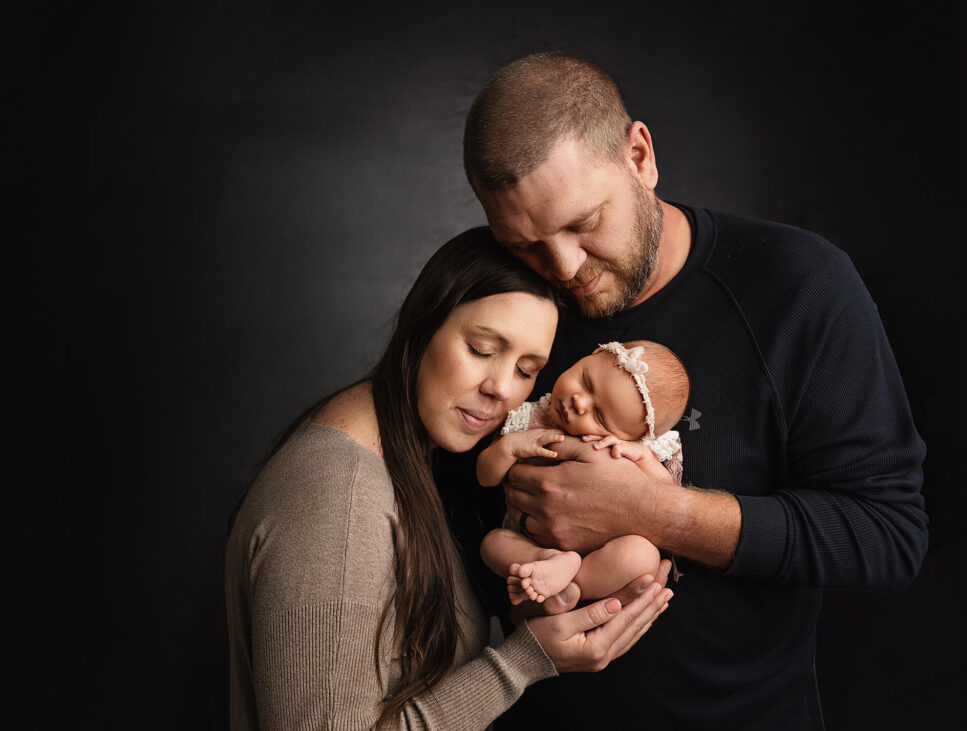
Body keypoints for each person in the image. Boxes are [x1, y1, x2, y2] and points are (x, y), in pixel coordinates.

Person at [444, 52, 928, 728]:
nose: (563, 267)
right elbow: (440, 493)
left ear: (640, 156)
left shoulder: (796, 286)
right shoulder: (504, 302)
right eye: (526, 243)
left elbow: (886, 534)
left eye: (584, 223)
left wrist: (654, 511)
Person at [224, 228, 674, 730]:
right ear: (424, 325)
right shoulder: (339, 506)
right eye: (482, 349)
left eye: (527, 370)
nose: (501, 389)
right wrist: (521, 662)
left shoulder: (410, 457)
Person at [478, 340, 689, 607]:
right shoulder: (530, 418)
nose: (579, 403)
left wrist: (644, 457)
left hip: (598, 555)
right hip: (530, 540)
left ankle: (573, 588)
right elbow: (485, 477)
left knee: (642, 556)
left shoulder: (635, 450)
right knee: (492, 545)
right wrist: (508, 448)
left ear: (635, 437)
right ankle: (549, 563)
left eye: (599, 418)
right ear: (593, 353)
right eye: (587, 382)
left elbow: (665, 499)